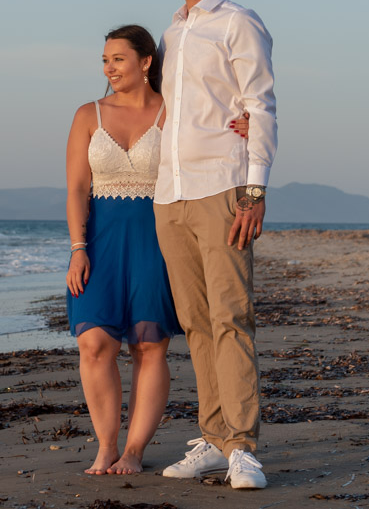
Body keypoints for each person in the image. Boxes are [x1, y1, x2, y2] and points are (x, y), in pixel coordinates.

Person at [65, 24, 247, 476]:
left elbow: (215, 126)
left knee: (149, 346)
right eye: (105, 60)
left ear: (146, 62)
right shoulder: (89, 114)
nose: (109, 68)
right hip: (100, 241)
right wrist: (77, 247)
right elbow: (75, 188)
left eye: (118, 59)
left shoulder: (172, 111)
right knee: (94, 343)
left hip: (156, 235)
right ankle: (106, 446)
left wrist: (247, 120)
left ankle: (134, 451)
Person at [153, 0, 277, 490]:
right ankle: (214, 436)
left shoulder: (238, 22)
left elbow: (260, 104)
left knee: (231, 316)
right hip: (170, 194)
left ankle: (244, 448)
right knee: (195, 323)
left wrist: (254, 190)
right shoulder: (173, 31)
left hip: (221, 186)